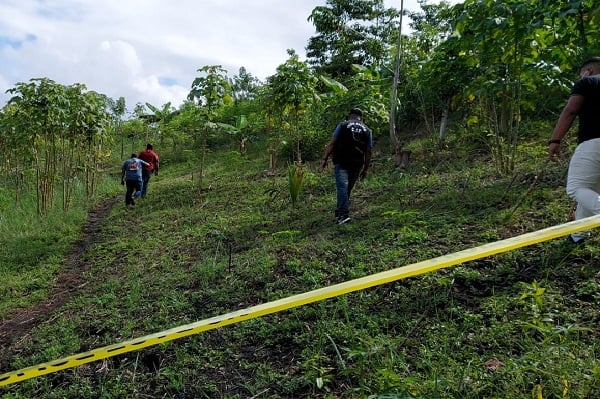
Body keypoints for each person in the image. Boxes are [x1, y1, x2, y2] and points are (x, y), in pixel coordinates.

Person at [548, 56, 600, 243]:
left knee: (576, 188)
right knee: (590, 189)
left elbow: (570, 110)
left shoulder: (587, 82)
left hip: (593, 142)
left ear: (589, 71)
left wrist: (555, 140)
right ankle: (578, 235)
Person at [321, 108, 373, 224]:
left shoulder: (343, 125)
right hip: (357, 163)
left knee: (342, 187)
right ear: (361, 118)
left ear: (349, 116)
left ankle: (343, 215)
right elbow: (368, 151)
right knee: (347, 188)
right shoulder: (367, 130)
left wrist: (325, 158)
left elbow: (332, 143)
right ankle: (341, 211)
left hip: (341, 161)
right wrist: (365, 169)